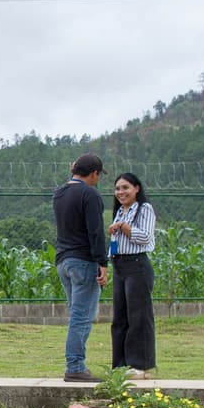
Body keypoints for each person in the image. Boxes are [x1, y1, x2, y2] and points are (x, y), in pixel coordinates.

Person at [52, 153, 111, 381]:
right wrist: (103, 263)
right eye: (98, 175)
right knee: (81, 316)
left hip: (63, 260)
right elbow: (95, 231)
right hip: (83, 261)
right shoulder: (90, 194)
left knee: (77, 313)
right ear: (94, 173)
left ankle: (75, 364)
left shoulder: (60, 193)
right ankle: (75, 366)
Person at [108, 172, 157, 378]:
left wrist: (124, 227)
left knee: (139, 316)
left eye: (125, 187)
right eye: (118, 188)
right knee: (120, 318)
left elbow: (145, 237)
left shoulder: (144, 209)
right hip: (119, 266)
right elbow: (115, 242)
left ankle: (140, 365)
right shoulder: (120, 211)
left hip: (137, 265)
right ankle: (120, 365)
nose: (121, 192)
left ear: (137, 188)